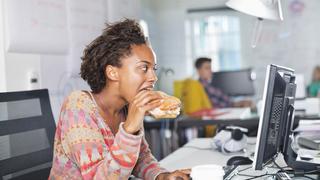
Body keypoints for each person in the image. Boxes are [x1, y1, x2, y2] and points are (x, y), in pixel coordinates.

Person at [49, 19, 190, 180]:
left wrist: (162, 176)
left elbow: (139, 158)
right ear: (113, 73)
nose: (153, 77)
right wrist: (129, 129)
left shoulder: (128, 107)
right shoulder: (78, 106)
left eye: (153, 69)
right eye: (144, 68)